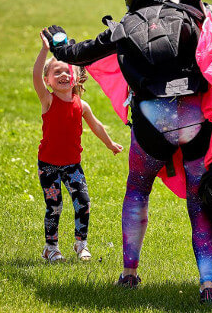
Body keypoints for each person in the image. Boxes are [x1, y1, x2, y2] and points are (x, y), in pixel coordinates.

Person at [43, 0, 212, 303]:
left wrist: (59, 42)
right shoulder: (193, 14)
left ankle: (129, 274)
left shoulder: (123, 26)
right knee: (198, 201)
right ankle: (208, 285)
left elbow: (75, 53)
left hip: (150, 123)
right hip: (195, 122)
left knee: (138, 189)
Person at [33, 31, 124, 263]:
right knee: (54, 206)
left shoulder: (81, 105)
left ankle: (81, 244)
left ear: (75, 76)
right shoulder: (48, 100)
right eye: (57, 72)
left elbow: (96, 125)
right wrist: (45, 50)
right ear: (48, 80)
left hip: (73, 165)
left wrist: (110, 143)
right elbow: (34, 76)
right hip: (49, 166)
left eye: (67, 71)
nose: (63, 74)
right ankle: (51, 247)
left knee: (83, 203)